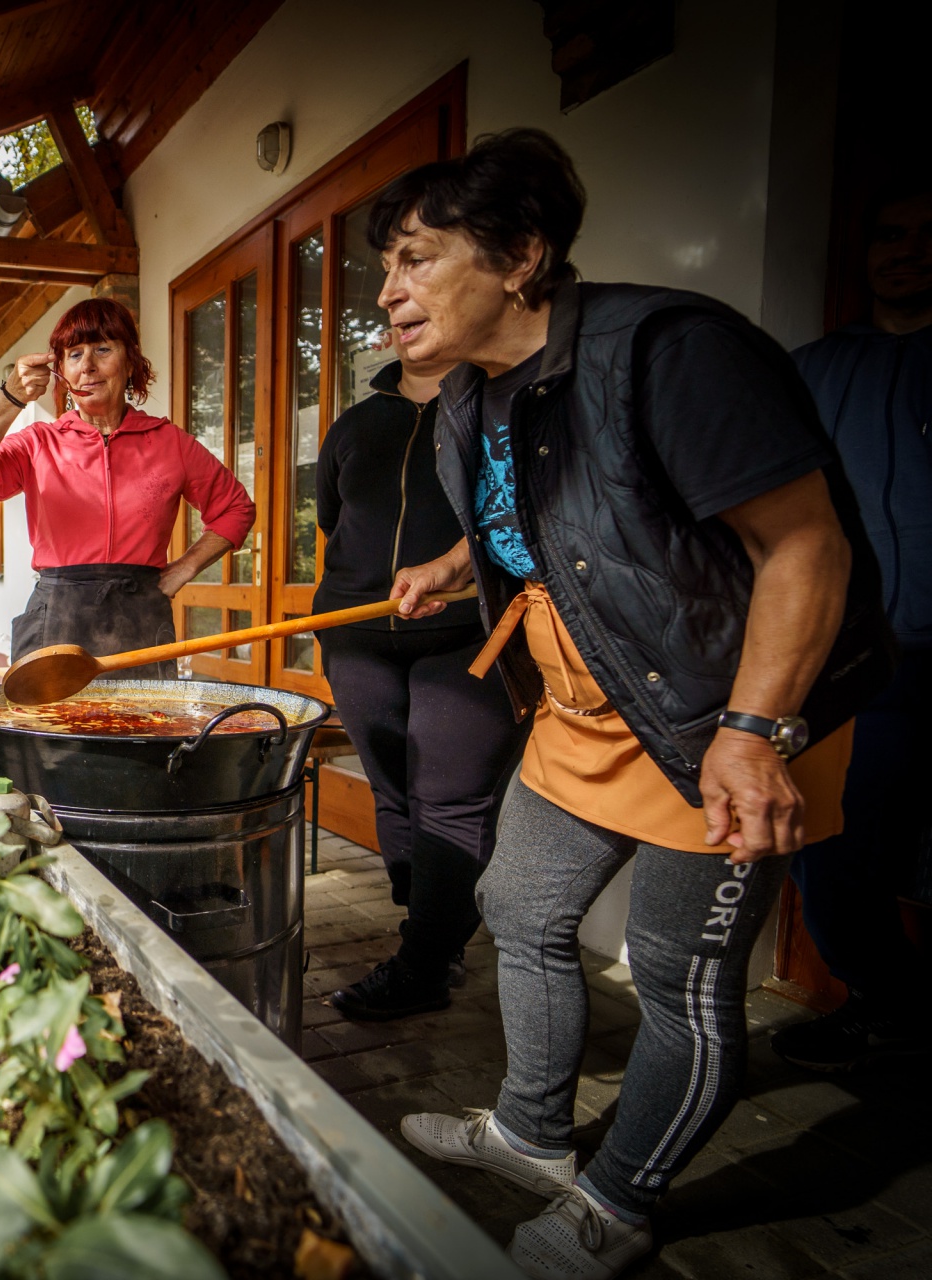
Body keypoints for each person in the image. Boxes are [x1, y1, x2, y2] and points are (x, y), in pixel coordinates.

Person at [371, 130, 891, 1280]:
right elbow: (555, 513)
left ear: (521, 254)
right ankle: (532, 1130)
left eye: (415, 258)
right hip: (588, 709)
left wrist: (753, 734)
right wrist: (459, 564)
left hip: (725, 713)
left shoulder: (671, 352)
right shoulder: (468, 396)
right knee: (518, 903)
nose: (389, 291)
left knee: (676, 975)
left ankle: (620, 1198)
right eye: (386, 267)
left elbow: (806, 546)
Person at [314, 346, 525, 1020]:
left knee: (450, 798)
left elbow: (520, 511)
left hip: (472, 631)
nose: (397, 303)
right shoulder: (354, 424)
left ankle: (426, 964)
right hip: (358, 634)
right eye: (393, 300)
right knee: (395, 793)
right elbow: (332, 521)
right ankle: (430, 926)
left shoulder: (498, 407)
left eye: (421, 296)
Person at [776, 185, 932, 1071]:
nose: (907, 250)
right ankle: (889, 1003)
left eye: (927, 234)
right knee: (829, 843)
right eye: (891, 233)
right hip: (857, 660)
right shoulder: (811, 371)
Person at [0, 297, 255, 675]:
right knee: (49, 716)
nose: (87, 366)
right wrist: (11, 398)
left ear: (131, 361)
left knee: (143, 715)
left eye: (103, 349)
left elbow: (235, 508)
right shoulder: (39, 443)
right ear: (61, 372)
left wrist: (183, 569)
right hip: (57, 616)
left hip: (141, 616)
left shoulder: (171, 443)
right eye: (74, 355)